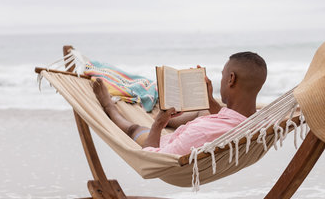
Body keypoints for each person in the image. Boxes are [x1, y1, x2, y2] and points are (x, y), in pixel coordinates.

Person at [92, 52, 267, 155]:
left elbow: (152, 157)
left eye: (222, 75)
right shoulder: (262, 121)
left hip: (165, 141)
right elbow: (226, 117)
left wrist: (158, 124)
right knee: (202, 111)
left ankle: (110, 107)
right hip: (206, 125)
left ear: (231, 79)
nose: (220, 80)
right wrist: (209, 100)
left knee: (135, 129)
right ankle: (171, 115)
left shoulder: (200, 133)